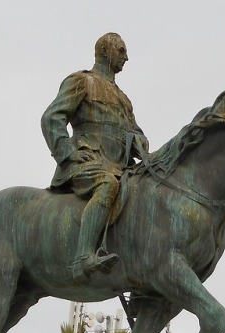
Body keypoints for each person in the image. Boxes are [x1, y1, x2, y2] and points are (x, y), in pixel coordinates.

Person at [41, 32, 149, 279]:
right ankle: (83, 257)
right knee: (107, 185)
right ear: (104, 51)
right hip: (87, 163)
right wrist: (67, 154)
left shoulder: (124, 99)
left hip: (120, 167)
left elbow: (135, 132)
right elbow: (52, 118)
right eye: (121, 51)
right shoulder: (82, 81)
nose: (127, 57)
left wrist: (141, 143)